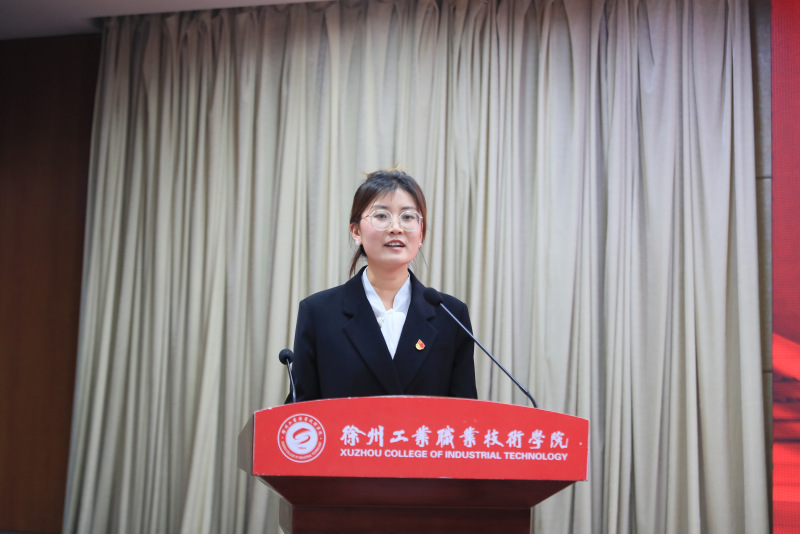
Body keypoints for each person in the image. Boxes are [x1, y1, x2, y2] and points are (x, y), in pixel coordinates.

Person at [287, 169, 478, 402]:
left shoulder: (450, 315)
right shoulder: (318, 312)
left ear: (421, 234)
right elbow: (301, 412)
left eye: (408, 217)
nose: (396, 227)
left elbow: (466, 414)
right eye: (381, 216)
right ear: (356, 231)